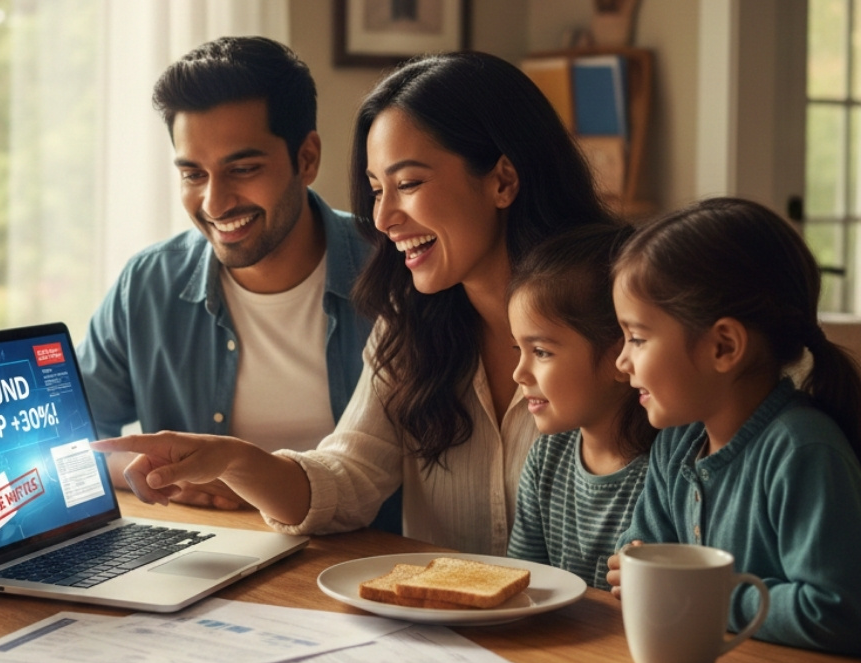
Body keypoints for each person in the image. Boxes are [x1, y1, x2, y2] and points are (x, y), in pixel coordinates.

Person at [93, 51, 617, 555]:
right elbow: (350, 476)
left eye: (408, 183)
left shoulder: (620, 313)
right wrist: (233, 460)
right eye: (376, 190)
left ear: (502, 180)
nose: (383, 220)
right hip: (440, 613)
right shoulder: (410, 318)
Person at [75, 37, 386, 520]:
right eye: (193, 175)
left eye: (242, 169)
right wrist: (163, 475)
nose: (215, 203)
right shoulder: (147, 284)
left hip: (363, 553)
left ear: (306, 159)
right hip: (210, 549)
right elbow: (71, 439)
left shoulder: (393, 272)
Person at [604, 197, 861, 654]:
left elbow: (836, 611)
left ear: (723, 346)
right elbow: (642, 544)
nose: (622, 361)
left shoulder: (803, 452)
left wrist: (703, 596)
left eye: (637, 338)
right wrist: (632, 563)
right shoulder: (676, 445)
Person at [505, 223, 656, 590]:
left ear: (620, 357)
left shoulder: (666, 470)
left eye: (541, 352)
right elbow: (523, 587)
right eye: (518, 349)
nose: (519, 373)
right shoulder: (546, 460)